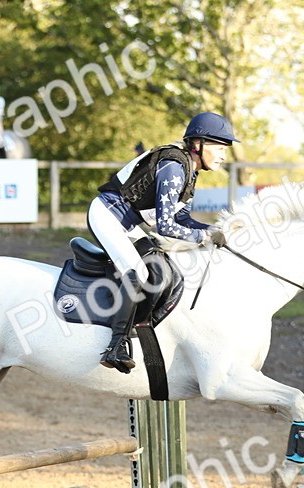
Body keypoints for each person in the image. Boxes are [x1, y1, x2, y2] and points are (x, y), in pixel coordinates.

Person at [90, 112, 238, 373]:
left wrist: (215, 229)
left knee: (161, 268)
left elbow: (182, 218)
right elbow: (166, 226)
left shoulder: (190, 172)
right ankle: (115, 346)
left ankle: (143, 329)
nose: (224, 155)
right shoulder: (174, 167)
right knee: (137, 271)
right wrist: (204, 237)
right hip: (107, 214)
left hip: (129, 222)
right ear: (198, 144)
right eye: (219, 147)